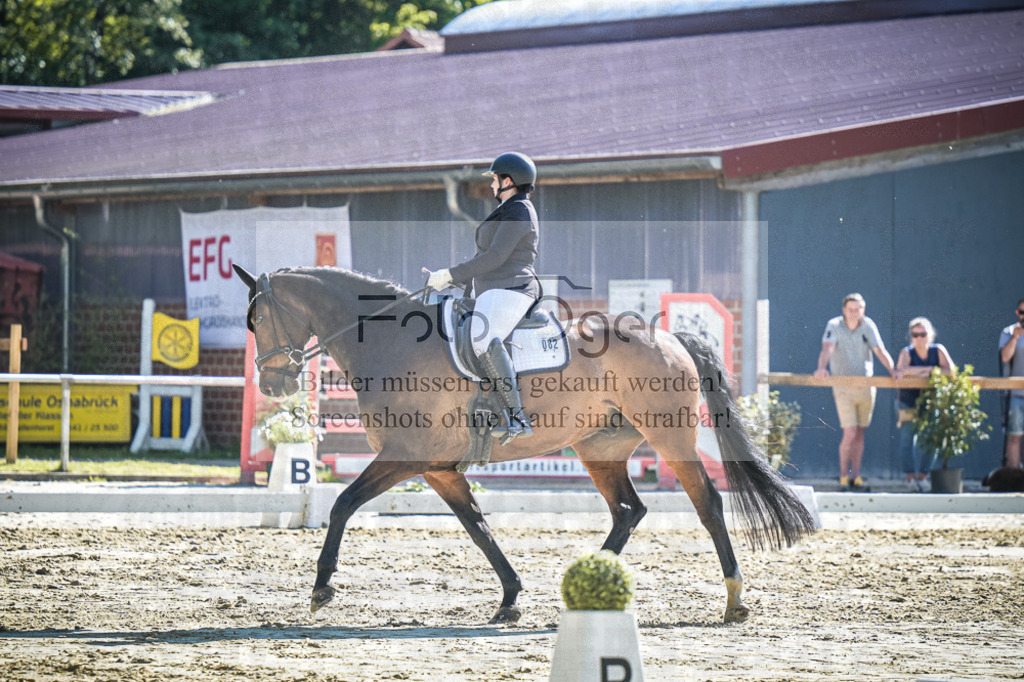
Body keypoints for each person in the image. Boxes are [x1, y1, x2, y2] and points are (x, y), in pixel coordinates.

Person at [423, 151, 540, 443]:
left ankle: (516, 417)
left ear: (508, 181)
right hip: (492, 288)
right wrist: (457, 285)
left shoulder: (520, 210)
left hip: (512, 287)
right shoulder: (506, 209)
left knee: (483, 337)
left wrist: (450, 274)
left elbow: (495, 257)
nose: (491, 185)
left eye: (495, 179)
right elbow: (484, 260)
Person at [813, 293, 895, 491]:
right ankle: (843, 476)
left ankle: (855, 477)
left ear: (863, 310)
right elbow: (827, 348)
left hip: (865, 387)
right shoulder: (834, 325)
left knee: (859, 433)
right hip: (843, 387)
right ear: (843, 310)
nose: (853, 313)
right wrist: (822, 368)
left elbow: (879, 349)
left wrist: (893, 370)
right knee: (849, 432)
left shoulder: (868, 325)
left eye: (857, 309)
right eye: (850, 309)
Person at [893, 317, 954, 492]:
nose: (919, 338)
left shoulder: (938, 350)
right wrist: (929, 370)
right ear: (911, 336)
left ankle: (923, 477)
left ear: (930, 335)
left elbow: (951, 371)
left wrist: (921, 371)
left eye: (923, 334)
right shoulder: (906, 352)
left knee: (932, 441)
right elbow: (901, 372)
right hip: (908, 401)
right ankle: (910, 478)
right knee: (907, 440)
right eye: (915, 334)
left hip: (930, 402)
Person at [999, 298, 1024, 468]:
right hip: (1016, 394)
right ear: (1017, 313)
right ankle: (1014, 476)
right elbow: (1005, 357)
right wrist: (1015, 338)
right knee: (1014, 436)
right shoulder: (1008, 332)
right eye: (1022, 312)